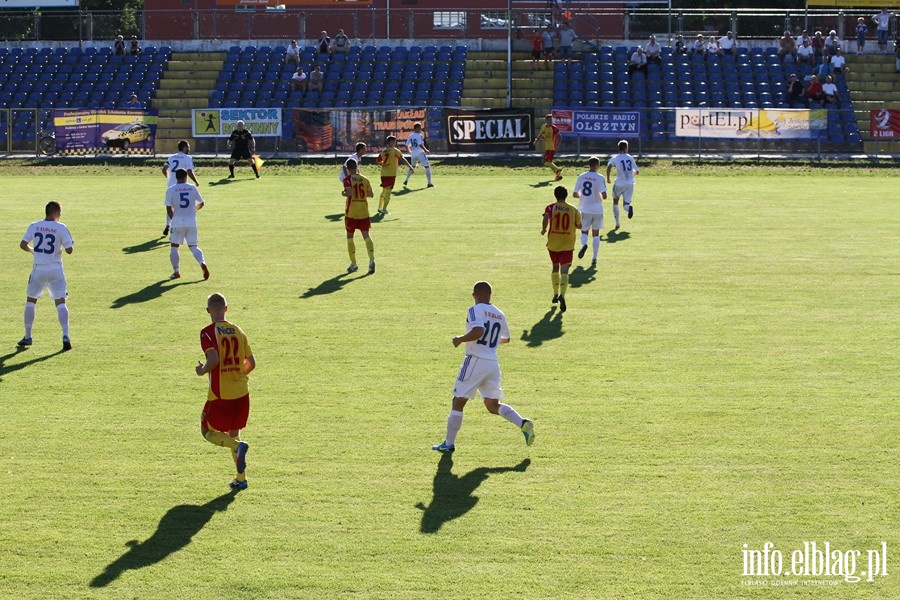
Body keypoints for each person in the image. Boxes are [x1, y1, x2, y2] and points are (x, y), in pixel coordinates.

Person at [431, 281, 534, 454]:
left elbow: (478, 330)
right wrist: (490, 342)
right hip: (492, 363)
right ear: (490, 294)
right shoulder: (500, 314)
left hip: (475, 360)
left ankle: (448, 444)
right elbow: (506, 339)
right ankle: (522, 423)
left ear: (474, 295)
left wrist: (460, 339)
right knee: (492, 405)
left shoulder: (475, 310)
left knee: (458, 401)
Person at [196, 292, 255, 490]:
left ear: (208, 311)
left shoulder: (207, 332)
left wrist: (202, 370)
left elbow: (213, 361)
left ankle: (238, 447)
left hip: (221, 394)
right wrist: (238, 374)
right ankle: (241, 478)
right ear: (226, 309)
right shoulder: (238, 330)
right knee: (233, 433)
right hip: (242, 392)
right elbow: (251, 363)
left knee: (207, 431)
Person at [18, 201, 74, 351]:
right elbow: (69, 249)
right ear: (55, 212)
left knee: (31, 301)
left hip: (39, 268)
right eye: (60, 212)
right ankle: (65, 335)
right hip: (55, 268)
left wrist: (33, 251)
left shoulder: (34, 225)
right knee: (60, 302)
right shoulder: (61, 227)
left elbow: (23, 244)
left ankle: (28, 336)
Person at [541, 186, 581, 314]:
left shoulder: (551, 207)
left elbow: (546, 217)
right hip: (567, 243)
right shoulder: (573, 209)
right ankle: (562, 295)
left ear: (555, 195)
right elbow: (579, 225)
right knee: (565, 271)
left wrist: (543, 229)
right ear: (566, 195)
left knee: (554, 267)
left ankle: (555, 293)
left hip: (553, 243)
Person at [165, 169, 209, 281]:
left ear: (176, 177)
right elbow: (201, 203)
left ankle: (176, 272)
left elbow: (168, 208)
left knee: (174, 247)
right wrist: (194, 210)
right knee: (194, 247)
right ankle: (202, 262)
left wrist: (173, 219)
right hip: (191, 222)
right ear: (186, 177)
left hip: (178, 222)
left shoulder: (171, 189)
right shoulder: (193, 188)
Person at [342, 158, 376, 275]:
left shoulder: (347, 179)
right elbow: (371, 194)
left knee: (350, 237)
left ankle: (354, 264)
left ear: (347, 168)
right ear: (357, 167)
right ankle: (371, 260)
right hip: (364, 212)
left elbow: (350, 193)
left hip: (352, 212)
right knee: (366, 235)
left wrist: (344, 193)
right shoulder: (365, 179)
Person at [573, 157, 608, 267]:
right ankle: (594, 257)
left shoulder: (581, 176)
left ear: (589, 165)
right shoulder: (600, 177)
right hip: (597, 209)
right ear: (597, 165)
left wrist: (581, 196)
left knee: (584, 231)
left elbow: (574, 194)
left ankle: (584, 244)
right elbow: (605, 195)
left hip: (584, 208)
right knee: (596, 233)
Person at [161, 140, 200, 237]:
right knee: (182, 207)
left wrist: (169, 178)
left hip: (171, 186)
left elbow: (164, 169)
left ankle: (167, 225)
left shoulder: (171, 157)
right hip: (182, 185)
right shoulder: (187, 158)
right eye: (188, 147)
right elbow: (189, 171)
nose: (189, 149)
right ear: (184, 147)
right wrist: (196, 181)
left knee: (170, 206)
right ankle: (179, 226)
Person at [375, 135, 413, 215]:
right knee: (388, 192)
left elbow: (378, 161)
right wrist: (410, 167)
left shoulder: (384, 151)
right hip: (391, 174)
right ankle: (384, 209)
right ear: (391, 142)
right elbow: (402, 158)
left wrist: (384, 164)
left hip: (383, 174)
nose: (395, 143)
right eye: (394, 141)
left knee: (384, 191)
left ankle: (379, 207)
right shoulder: (395, 150)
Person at [606, 139, 638, 230]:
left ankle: (617, 223)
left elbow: (609, 167)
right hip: (630, 183)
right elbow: (637, 171)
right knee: (626, 204)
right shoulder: (630, 157)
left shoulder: (615, 158)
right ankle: (629, 208)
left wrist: (608, 178)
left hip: (619, 183)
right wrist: (631, 175)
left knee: (615, 201)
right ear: (626, 148)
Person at [402, 122, 433, 188]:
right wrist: (426, 150)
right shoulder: (419, 135)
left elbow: (406, 145)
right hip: (420, 153)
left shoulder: (411, 136)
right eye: (420, 127)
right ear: (416, 128)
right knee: (427, 167)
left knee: (412, 167)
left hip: (414, 154)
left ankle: (406, 180)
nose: (421, 129)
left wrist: (410, 152)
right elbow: (420, 144)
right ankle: (429, 183)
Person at [534, 113, 562, 181]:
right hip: (547, 147)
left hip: (552, 147)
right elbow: (541, 134)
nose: (550, 121)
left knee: (544, 161)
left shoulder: (554, 128)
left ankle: (558, 169)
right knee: (549, 162)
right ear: (546, 120)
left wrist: (557, 145)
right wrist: (536, 141)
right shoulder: (543, 126)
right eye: (549, 120)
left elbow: (559, 136)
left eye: (551, 120)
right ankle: (557, 175)